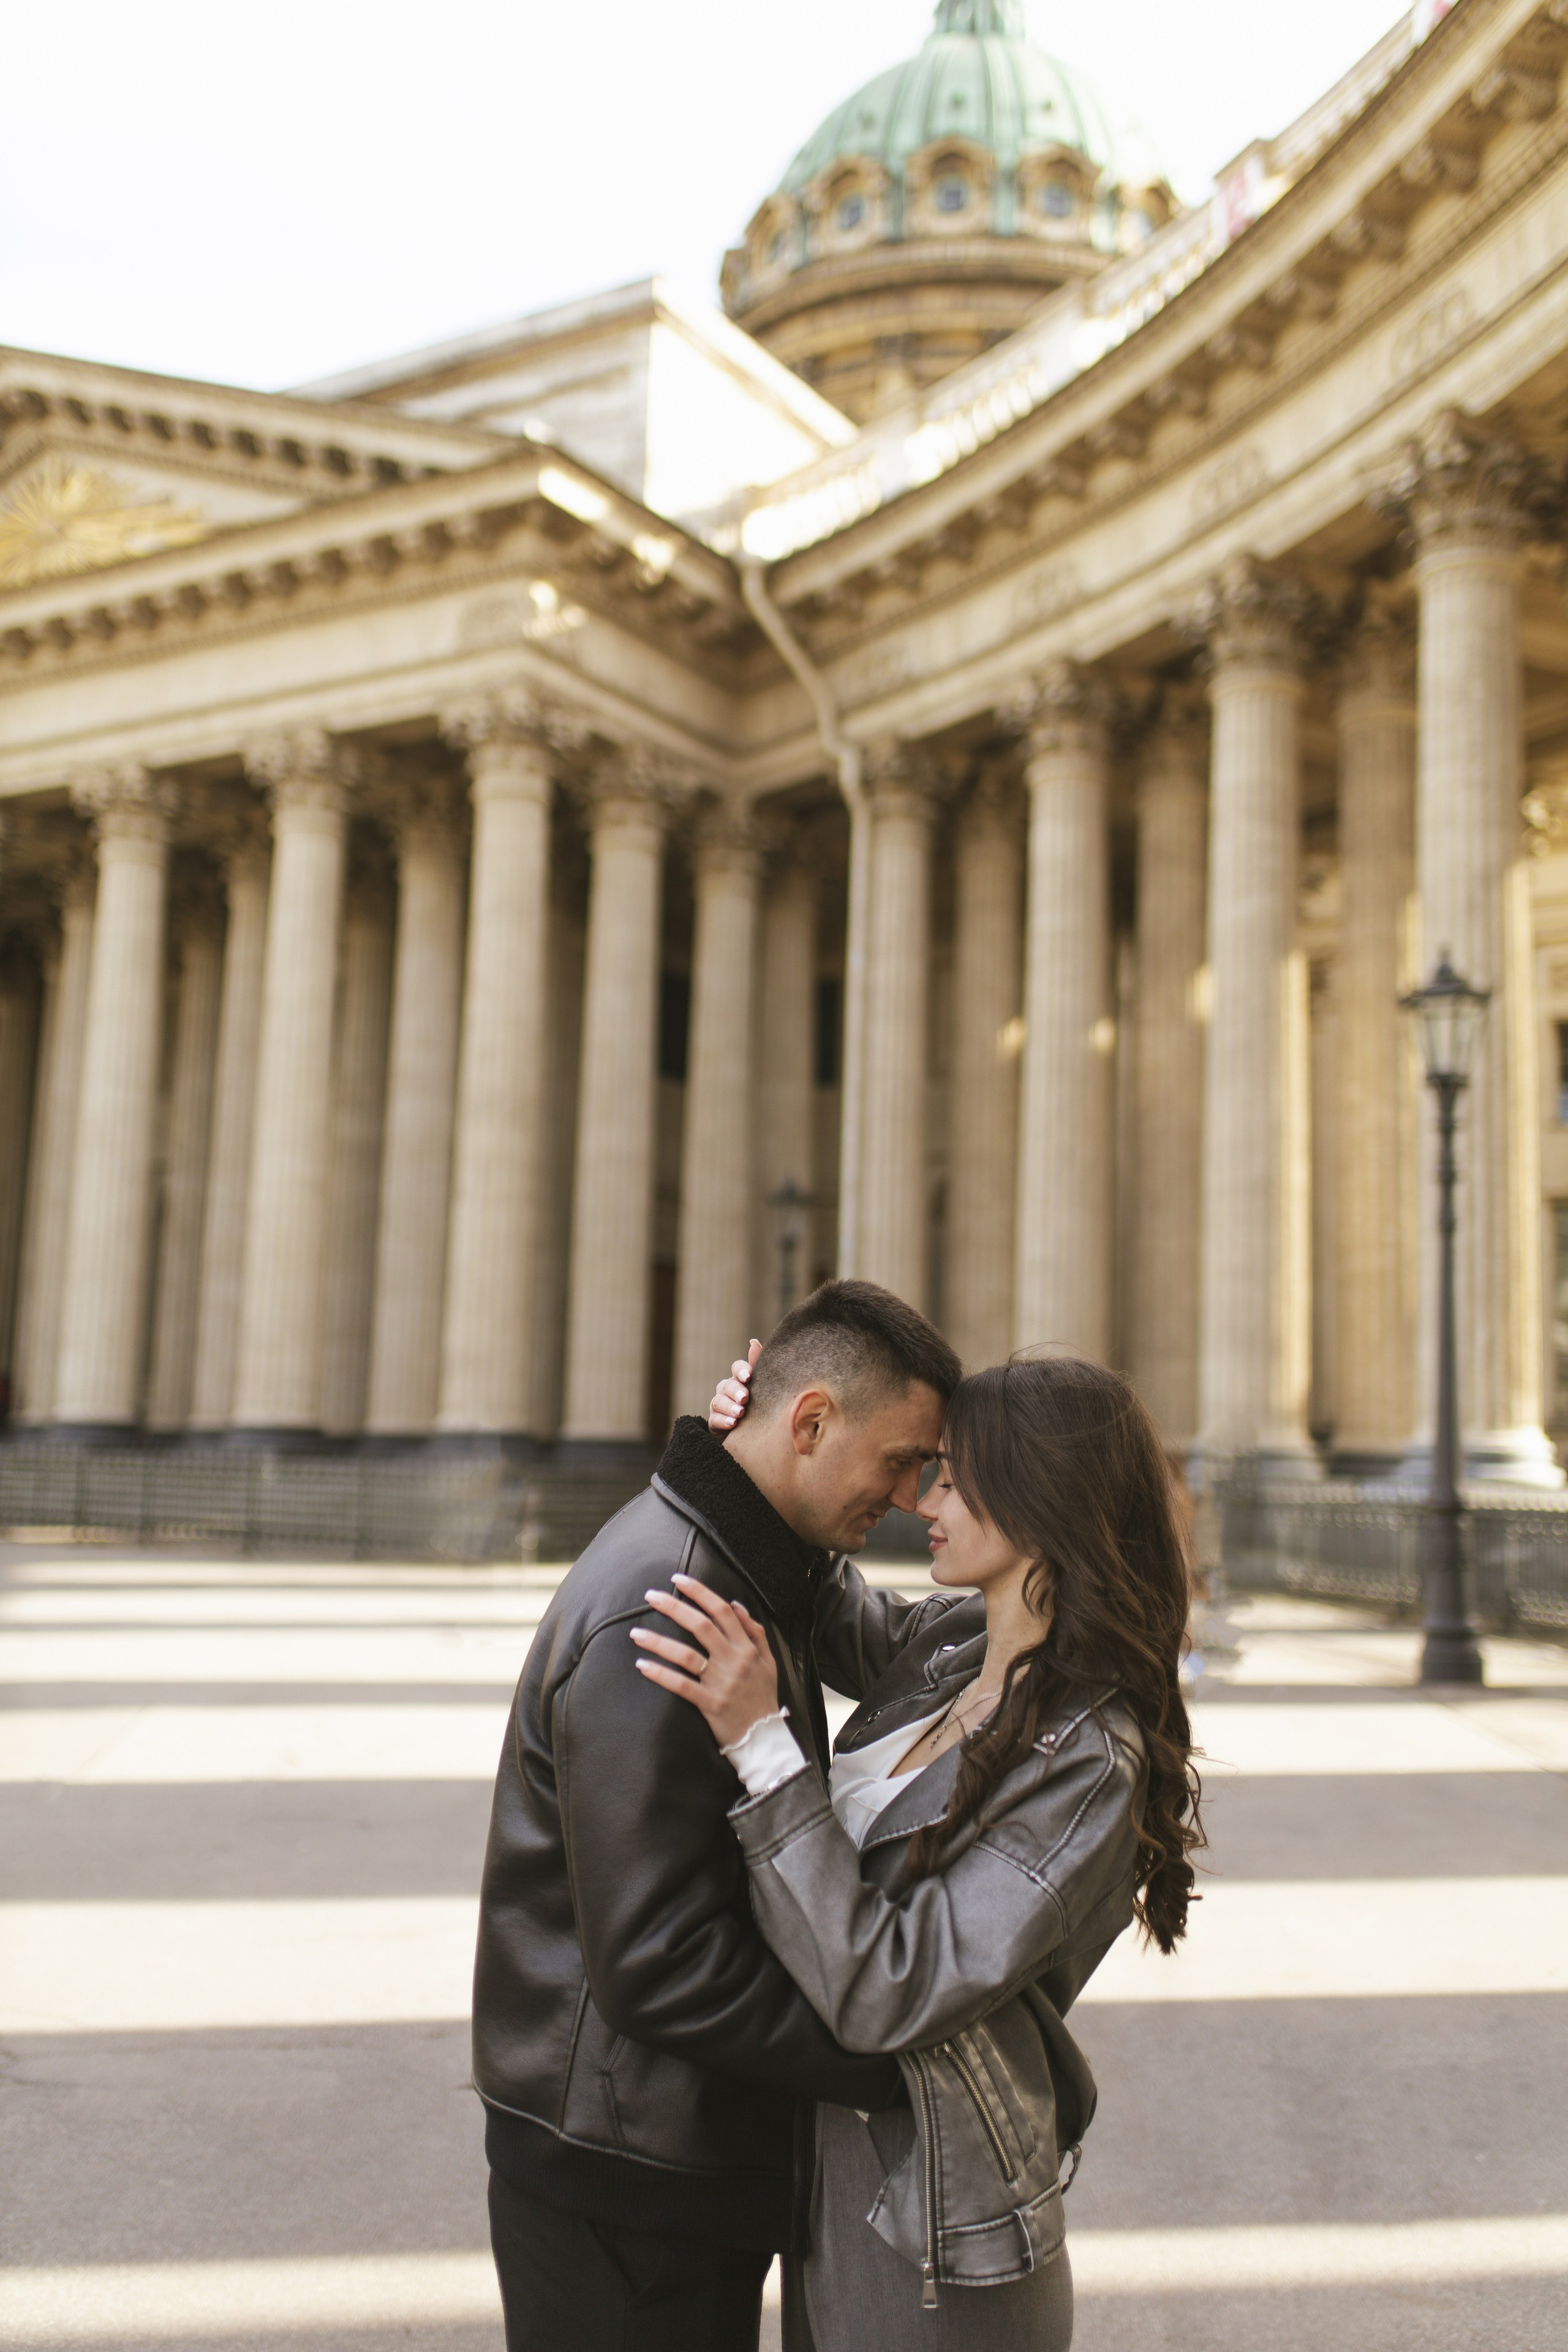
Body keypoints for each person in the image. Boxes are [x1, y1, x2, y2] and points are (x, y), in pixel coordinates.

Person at [634, 1349, 1205, 2352]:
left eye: (951, 1476)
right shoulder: (955, 1648)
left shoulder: (1088, 1759)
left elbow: (889, 1991)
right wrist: (756, 1447)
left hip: (939, 2233)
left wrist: (766, 1750)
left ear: (1036, 1501)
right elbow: (818, 1595)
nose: (921, 1498)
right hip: (839, 2176)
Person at [472, 1279, 962, 2352]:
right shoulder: (673, 1611)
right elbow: (659, 1959)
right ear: (811, 1421)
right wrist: (888, 2063)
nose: (912, 1493)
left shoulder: (744, 1564)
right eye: (900, 1459)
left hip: (655, 2145)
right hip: (626, 2170)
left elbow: (881, 1636)